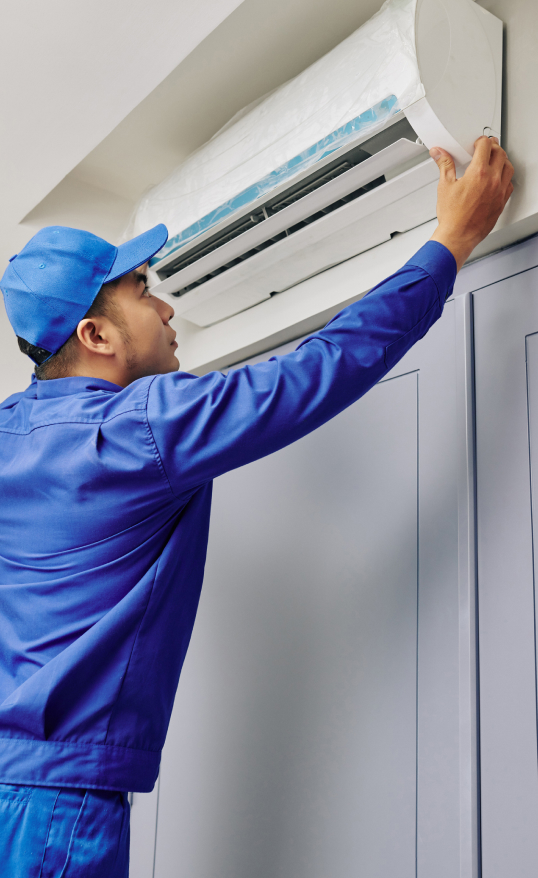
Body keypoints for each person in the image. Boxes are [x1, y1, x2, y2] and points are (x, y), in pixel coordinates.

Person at [0, 137, 513, 876]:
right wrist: (449, 244)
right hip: (58, 809)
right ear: (96, 335)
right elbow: (316, 371)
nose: (166, 304)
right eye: (143, 290)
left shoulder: (14, 434)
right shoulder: (141, 426)